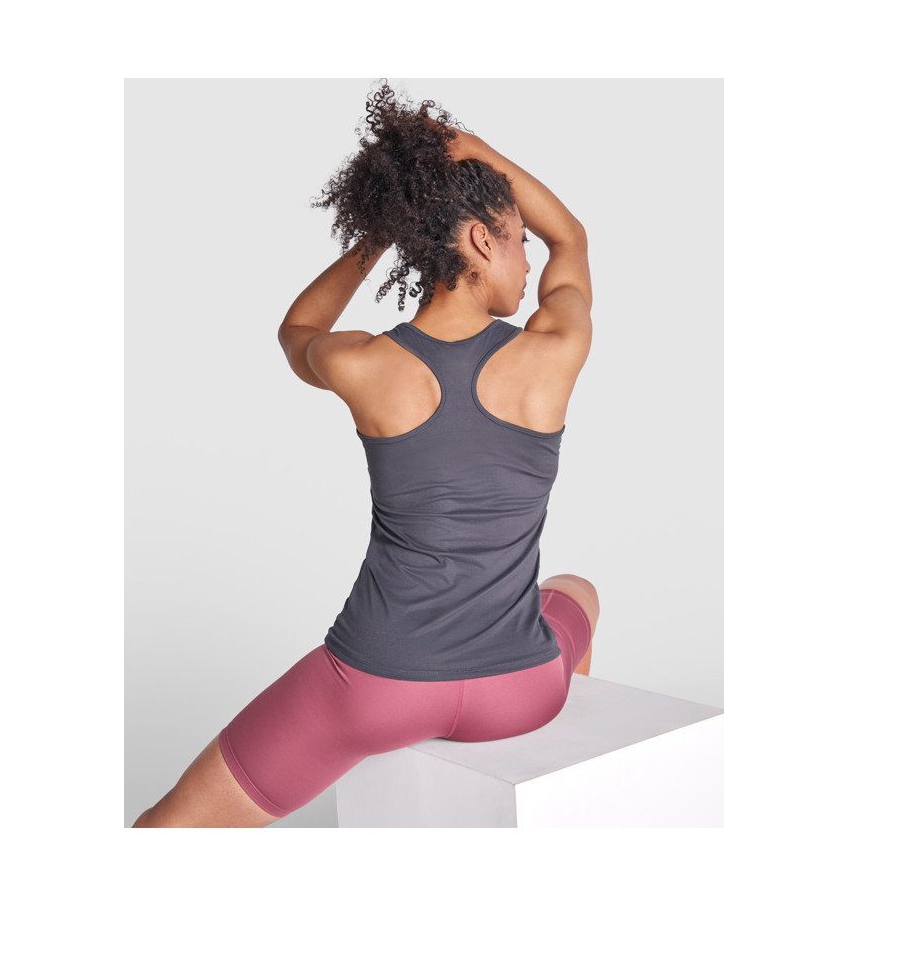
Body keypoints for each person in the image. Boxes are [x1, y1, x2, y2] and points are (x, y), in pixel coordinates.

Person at [133, 82, 599, 828]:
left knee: (167, 831)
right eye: (518, 240)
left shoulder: (363, 363)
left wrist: (377, 236)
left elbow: (296, 330)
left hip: (376, 687)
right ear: (483, 241)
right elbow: (571, 238)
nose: (526, 260)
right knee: (577, 593)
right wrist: (477, 151)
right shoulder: (557, 349)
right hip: (521, 694)